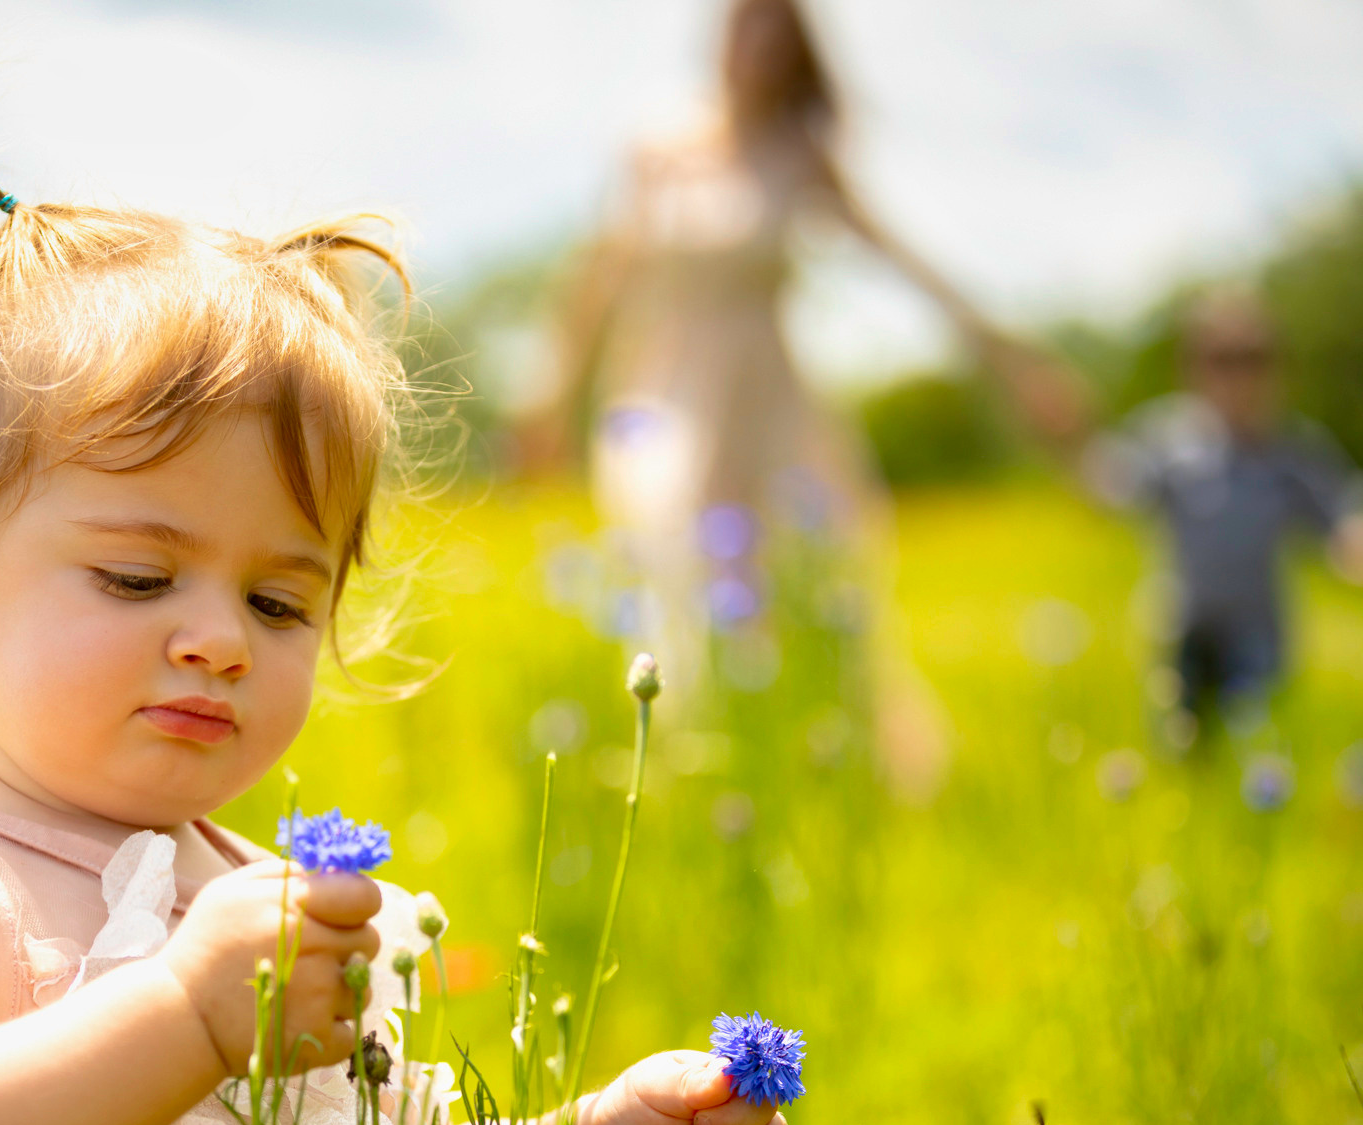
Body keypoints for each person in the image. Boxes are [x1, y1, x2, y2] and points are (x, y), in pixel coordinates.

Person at [0, 92, 788, 1125]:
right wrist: (182, 1017)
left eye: (279, 598)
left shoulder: (273, 908)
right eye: (138, 578)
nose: (220, 638)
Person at [526, 0, 1076, 790]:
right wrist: (551, 393)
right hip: (667, 395)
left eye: (773, 37)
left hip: (769, 403)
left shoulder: (798, 156)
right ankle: (684, 768)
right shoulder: (658, 150)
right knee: (670, 560)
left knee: (812, 581)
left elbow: (906, 262)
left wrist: (1013, 358)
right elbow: (599, 279)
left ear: (794, 55)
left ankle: (819, 769)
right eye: (743, 28)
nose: (753, 50)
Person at [1083, 287, 1363, 732]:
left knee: (1253, 748)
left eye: (1254, 358)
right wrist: (1070, 436)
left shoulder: (1294, 453)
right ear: (1193, 368)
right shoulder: (1168, 440)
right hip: (1184, 640)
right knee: (1183, 754)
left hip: (1258, 649)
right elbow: (1111, 490)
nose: (1239, 376)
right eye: (1222, 359)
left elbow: (1344, 527)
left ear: (1279, 367)